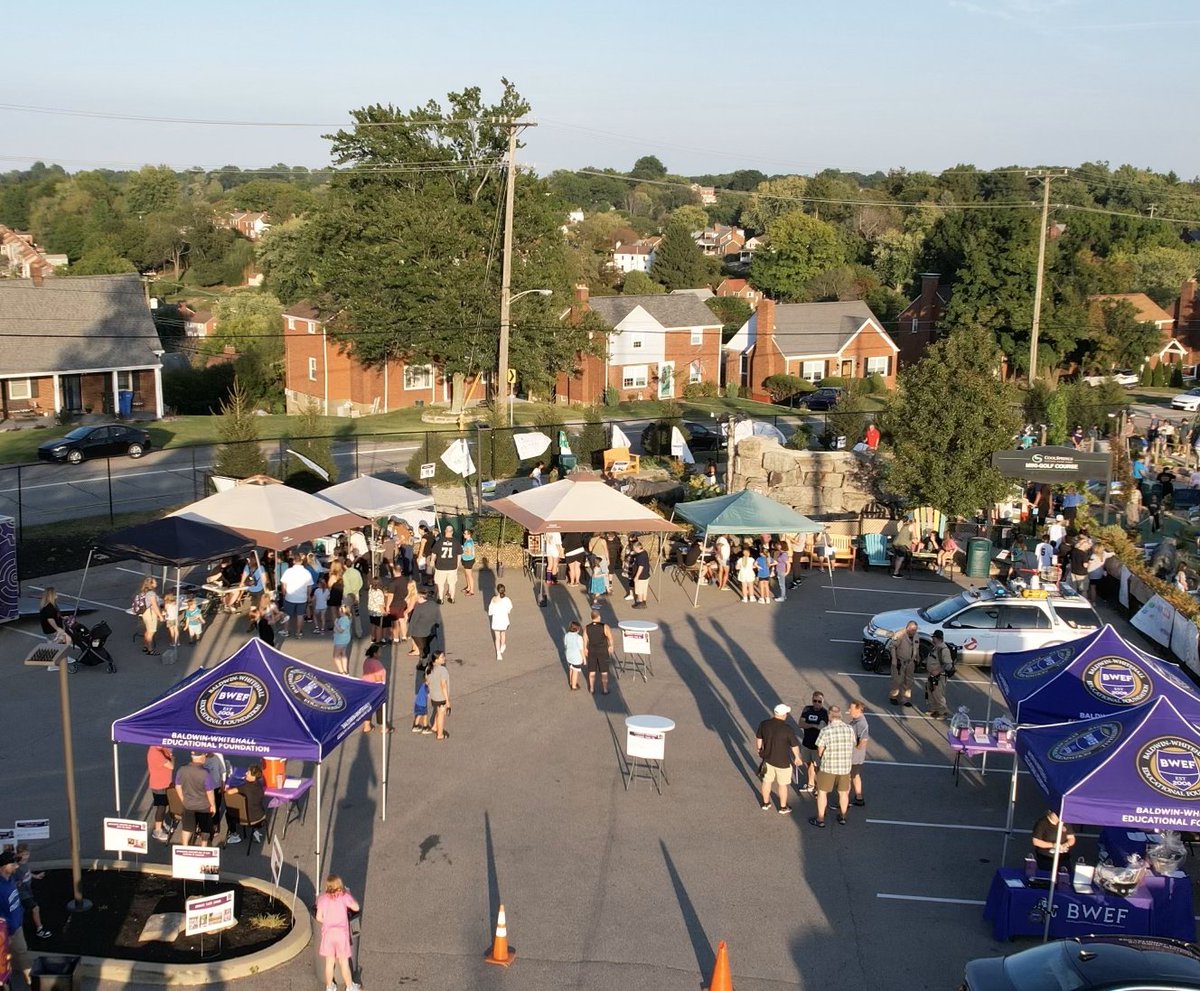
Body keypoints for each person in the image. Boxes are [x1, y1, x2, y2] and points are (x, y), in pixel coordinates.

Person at [809, 704, 856, 828]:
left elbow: (820, 749)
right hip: (845, 768)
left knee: (822, 793)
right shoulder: (849, 729)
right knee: (843, 793)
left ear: (830, 716)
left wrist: (822, 757)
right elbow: (853, 744)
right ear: (840, 716)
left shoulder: (826, 730)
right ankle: (843, 816)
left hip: (828, 768)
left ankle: (820, 819)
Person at [316, 874, 362, 991]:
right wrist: (348, 894)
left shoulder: (322, 899)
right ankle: (350, 987)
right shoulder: (344, 896)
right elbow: (356, 907)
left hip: (328, 935)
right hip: (341, 934)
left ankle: (330, 986)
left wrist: (327, 921)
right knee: (344, 962)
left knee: (329, 963)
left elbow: (318, 917)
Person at [755, 703, 800, 814]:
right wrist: (797, 757)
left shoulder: (764, 724)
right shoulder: (787, 729)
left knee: (766, 782)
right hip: (783, 762)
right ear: (784, 715)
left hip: (768, 759)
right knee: (783, 785)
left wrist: (759, 749)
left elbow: (759, 738)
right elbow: (794, 745)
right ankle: (783, 807)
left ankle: (765, 803)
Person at [0, 849, 32, 990]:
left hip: (16, 925)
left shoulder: (11, 879)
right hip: (8, 931)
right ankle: (31, 981)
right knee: (20, 953)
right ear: (3, 867)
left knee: (16, 955)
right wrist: (7, 932)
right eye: (12, 864)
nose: (16, 866)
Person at [175, 752, 216, 847]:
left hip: (188, 805)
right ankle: (203, 848)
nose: (205, 758)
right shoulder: (205, 773)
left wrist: (183, 799)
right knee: (205, 829)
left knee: (186, 828)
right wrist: (213, 805)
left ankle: (184, 847)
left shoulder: (182, 769)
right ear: (201, 758)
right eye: (204, 756)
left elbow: (178, 786)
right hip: (203, 806)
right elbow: (209, 792)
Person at [13, 844, 50, 939]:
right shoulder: (17, 868)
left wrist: (36, 876)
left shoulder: (23, 864)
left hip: (27, 891)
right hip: (22, 893)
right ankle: (39, 929)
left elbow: (27, 872)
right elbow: (15, 881)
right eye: (24, 854)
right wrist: (18, 884)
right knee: (35, 908)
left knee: (24, 910)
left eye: (27, 854)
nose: (26, 857)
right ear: (18, 855)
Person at [223, 764, 266, 845]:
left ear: (253, 777)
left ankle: (234, 835)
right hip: (259, 817)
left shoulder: (244, 787)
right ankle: (255, 830)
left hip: (247, 819)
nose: (246, 773)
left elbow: (229, 792)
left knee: (228, 813)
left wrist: (227, 788)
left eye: (248, 773)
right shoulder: (260, 786)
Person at [796, 692, 828, 797]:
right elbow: (801, 723)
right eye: (815, 701)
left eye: (819, 701)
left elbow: (822, 727)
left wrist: (809, 725)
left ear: (822, 702)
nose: (817, 703)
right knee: (809, 764)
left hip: (818, 745)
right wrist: (813, 725)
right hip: (806, 743)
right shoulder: (807, 709)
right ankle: (810, 784)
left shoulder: (824, 713)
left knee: (819, 767)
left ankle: (819, 788)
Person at [279, 554, 314, 640]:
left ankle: (286, 631)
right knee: (300, 615)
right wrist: (308, 595)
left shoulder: (288, 571)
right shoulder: (306, 572)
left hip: (290, 596)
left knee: (287, 615)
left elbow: (283, 584)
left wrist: (284, 593)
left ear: (294, 561)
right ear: (301, 561)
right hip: (302, 598)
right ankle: (298, 632)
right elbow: (309, 586)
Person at [888, 621, 920, 707]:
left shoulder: (916, 635)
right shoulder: (900, 635)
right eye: (913, 630)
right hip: (900, 661)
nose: (914, 632)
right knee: (897, 680)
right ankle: (893, 696)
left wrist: (918, 658)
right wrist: (894, 659)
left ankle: (905, 699)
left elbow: (917, 647)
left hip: (910, 662)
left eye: (915, 630)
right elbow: (892, 647)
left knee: (909, 681)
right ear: (908, 628)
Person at [148, 744, 175, 842]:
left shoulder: (158, 749)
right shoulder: (156, 753)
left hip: (163, 783)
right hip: (159, 785)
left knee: (163, 806)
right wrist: (171, 756)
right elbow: (171, 766)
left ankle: (162, 823)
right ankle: (157, 830)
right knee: (161, 807)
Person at [407, 591, 442, 663]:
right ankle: (428, 660)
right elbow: (438, 616)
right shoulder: (433, 604)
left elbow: (413, 621)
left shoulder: (419, 608)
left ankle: (424, 663)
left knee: (422, 649)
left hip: (418, 633)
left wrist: (409, 633)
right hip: (431, 631)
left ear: (420, 597)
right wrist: (437, 624)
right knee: (427, 647)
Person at [584, 609, 613, 695]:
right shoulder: (604, 626)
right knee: (604, 671)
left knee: (592, 671)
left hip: (592, 650)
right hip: (602, 650)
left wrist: (585, 648)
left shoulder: (587, 627)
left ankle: (592, 688)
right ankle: (605, 689)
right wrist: (611, 646)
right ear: (599, 617)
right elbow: (610, 637)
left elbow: (585, 639)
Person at [360, 643, 388, 733]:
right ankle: (383, 727)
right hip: (376, 688)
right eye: (379, 652)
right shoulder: (377, 663)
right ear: (375, 653)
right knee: (380, 707)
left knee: (369, 707)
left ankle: (367, 725)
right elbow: (378, 677)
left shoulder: (367, 661)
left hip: (366, 687)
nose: (381, 653)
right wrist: (381, 689)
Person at [847, 699, 869, 807]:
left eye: (851, 708)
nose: (849, 710)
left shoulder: (861, 723)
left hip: (854, 757)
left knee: (847, 777)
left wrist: (854, 747)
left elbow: (863, 742)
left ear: (857, 709)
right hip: (855, 756)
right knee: (855, 776)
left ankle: (844, 800)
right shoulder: (856, 721)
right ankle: (859, 798)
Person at [924, 631, 951, 719]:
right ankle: (934, 710)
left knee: (938, 694)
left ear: (938, 638)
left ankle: (942, 712)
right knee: (931, 693)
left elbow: (948, 664)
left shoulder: (943, 649)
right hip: (931, 676)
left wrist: (938, 671)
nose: (932, 639)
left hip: (939, 677)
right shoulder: (936, 647)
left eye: (934, 638)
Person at [432, 524, 461, 605]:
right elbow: (459, 555)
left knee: (441, 584)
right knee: (452, 583)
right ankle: (452, 598)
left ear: (445, 531)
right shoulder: (456, 542)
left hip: (440, 566)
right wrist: (457, 565)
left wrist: (432, 562)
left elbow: (434, 553)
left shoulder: (439, 541)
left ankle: (440, 599)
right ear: (452, 532)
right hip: (452, 567)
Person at [136, 576, 164, 656]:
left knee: (148, 631)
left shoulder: (143, 592)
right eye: (155, 582)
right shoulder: (151, 593)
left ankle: (145, 646)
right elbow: (154, 606)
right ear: (151, 584)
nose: (156, 583)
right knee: (151, 632)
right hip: (150, 614)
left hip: (145, 613)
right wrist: (160, 616)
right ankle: (150, 650)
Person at [428, 650, 451, 740]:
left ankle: (434, 726)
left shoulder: (428, 668)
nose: (444, 658)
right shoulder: (443, 670)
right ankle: (440, 734)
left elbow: (427, 681)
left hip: (433, 695)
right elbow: (443, 685)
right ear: (436, 660)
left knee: (438, 710)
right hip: (441, 697)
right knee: (441, 714)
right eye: (441, 657)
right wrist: (447, 700)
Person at [341, 556, 364, 638]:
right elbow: (361, 583)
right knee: (357, 615)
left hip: (347, 596)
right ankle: (359, 632)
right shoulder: (357, 572)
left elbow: (347, 586)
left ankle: (348, 632)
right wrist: (355, 591)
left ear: (345, 565)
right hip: (356, 595)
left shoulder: (345, 574)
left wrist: (351, 593)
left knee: (347, 615)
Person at [488, 584, 513, 660]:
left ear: (497, 590)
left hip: (496, 621)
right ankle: (503, 646)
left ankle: (498, 653)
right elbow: (509, 609)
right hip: (504, 620)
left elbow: (490, 612)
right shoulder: (507, 600)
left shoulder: (493, 600)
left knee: (497, 637)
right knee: (503, 634)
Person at [564, 620, 585, 691]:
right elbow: (581, 649)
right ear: (578, 629)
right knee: (575, 671)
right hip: (576, 658)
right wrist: (584, 659)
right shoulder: (579, 638)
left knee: (571, 668)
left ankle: (570, 682)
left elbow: (566, 644)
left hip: (569, 656)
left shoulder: (566, 635)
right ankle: (574, 686)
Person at [366, 576, 388, 644]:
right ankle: (378, 641)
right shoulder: (379, 592)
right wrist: (384, 612)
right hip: (377, 612)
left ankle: (373, 639)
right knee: (378, 627)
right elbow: (380, 605)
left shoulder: (370, 589)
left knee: (373, 625)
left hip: (371, 611)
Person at [411, 667, 431, 734]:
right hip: (422, 704)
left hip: (418, 703)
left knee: (419, 715)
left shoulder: (422, 685)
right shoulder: (426, 687)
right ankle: (425, 727)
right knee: (425, 715)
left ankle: (416, 726)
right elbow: (428, 694)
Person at [461, 528, 477, 596]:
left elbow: (469, 553)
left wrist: (462, 551)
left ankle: (472, 591)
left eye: (465, 533)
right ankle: (468, 587)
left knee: (469, 575)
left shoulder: (469, 542)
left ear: (469, 535)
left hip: (468, 560)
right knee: (466, 574)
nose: (463, 535)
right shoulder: (468, 541)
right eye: (464, 533)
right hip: (466, 559)